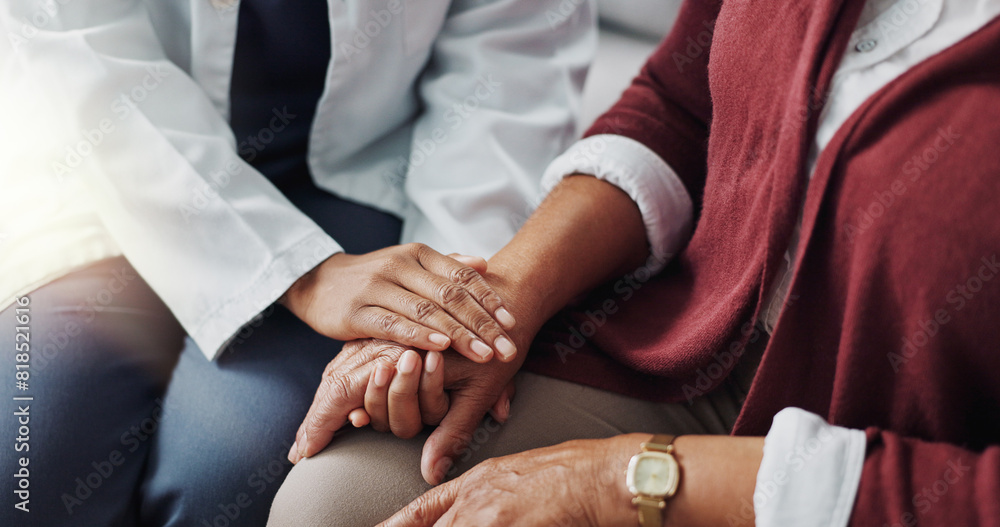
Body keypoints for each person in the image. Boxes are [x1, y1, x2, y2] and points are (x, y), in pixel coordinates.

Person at [269, 0, 1000, 525]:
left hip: (897, 459)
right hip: (704, 346)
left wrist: (619, 482)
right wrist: (501, 297)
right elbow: (684, 105)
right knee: (333, 505)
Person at [0, 0, 596, 525]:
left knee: (230, 479)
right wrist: (305, 274)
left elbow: (511, 68)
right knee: (26, 455)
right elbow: (68, 44)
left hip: (370, 183)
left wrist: (439, 305)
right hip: (98, 174)